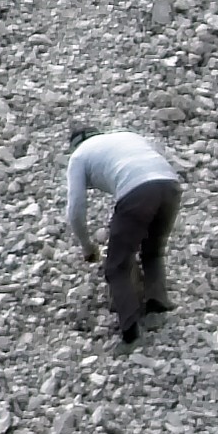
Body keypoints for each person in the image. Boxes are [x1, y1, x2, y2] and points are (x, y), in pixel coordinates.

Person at [62, 127, 184, 343]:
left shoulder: (79, 156)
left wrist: (87, 247)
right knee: (153, 250)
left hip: (136, 191)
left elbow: (76, 210)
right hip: (170, 185)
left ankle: (130, 333)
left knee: (117, 266)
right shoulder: (128, 136)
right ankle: (157, 303)